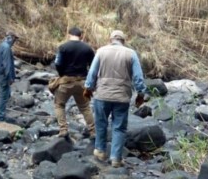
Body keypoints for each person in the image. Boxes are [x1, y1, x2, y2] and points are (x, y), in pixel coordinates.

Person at [84, 30, 147, 168]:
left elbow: (92, 72)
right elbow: (138, 77)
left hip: (102, 94)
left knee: (101, 123)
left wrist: (88, 88)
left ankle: (100, 151)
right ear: (123, 41)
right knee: (119, 128)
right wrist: (141, 94)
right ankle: (116, 159)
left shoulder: (101, 51)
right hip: (122, 96)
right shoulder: (131, 54)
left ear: (110, 39)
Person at [53, 27, 96, 138]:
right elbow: (93, 66)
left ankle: (63, 130)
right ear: (80, 36)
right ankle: (93, 131)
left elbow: (57, 63)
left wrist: (61, 74)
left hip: (66, 81)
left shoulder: (63, 47)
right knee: (85, 107)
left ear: (69, 34)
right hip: (82, 82)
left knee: (59, 105)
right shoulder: (87, 48)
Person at [0, 31, 18, 122]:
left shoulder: (1, 45)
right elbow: (6, 64)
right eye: (14, 39)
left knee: (6, 94)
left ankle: (1, 113)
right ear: (11, 38)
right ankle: (1, 117)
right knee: (4, 96)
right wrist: (10, 78)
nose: (14, 42)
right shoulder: (7, 48)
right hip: (4, 76)